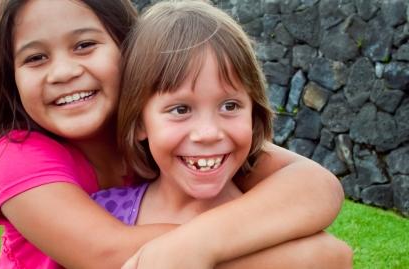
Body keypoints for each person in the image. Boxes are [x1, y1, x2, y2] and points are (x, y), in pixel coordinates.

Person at [0, 0, 349, 268]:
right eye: (35, 58)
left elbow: (315, 187)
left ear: (128, 49)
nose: (63, 72)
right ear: (12, 76)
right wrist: (305, 256)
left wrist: (201, 243)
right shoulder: (18, 156)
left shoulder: (177, 131)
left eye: (85, 45)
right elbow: (106, 256)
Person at [93, 1, 352, 268]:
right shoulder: (104, 214)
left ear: (254, 114)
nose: (208, 133)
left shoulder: (277, 225)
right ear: (139, 123)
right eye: (180, 109)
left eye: (230, 106)